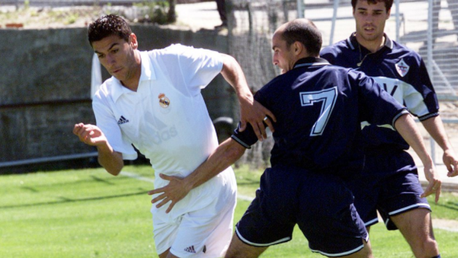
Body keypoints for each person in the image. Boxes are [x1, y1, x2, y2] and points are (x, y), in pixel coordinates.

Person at [148, 18, 439, 258]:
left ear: (296, 48)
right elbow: (401, 116)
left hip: (281, 190)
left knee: (234, 256)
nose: (274, 59)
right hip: (328, 192)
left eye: (277, 50)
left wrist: (187, 183)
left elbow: (234, 149)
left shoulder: (273, 92)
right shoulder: (352, 79)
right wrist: (427, 162)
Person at [72, 14, 276, 258]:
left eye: (114, 50)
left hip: (209, 186)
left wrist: (244, 97)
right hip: (167, 194)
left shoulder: (172, 60)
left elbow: (226, 62)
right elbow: (114, 167)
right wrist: (103, 145)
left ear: (133, 41)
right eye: (101, 55)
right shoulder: (105, 98)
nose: (110, 61)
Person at [320, 0, 458, 257]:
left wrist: (447, 148)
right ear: (353, 13)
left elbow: (428, 111)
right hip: (348, 167)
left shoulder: (408, 60)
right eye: (362, 12)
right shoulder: (330, 59)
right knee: (357, 253)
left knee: (427, 245)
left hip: (395, 165)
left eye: (376, 13)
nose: (368, 20)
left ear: (388, 13)